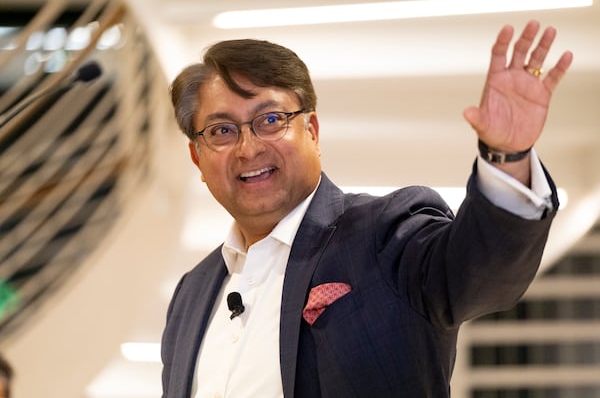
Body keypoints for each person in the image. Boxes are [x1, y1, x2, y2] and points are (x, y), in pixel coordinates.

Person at [161, 20, 572, 397]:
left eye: (270, 120)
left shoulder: (384, 232)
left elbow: (479, 276)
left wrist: (507, 156)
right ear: (198, 159)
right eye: (221, 131)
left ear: (313, 131)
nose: (248, 148)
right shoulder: (191, 294)